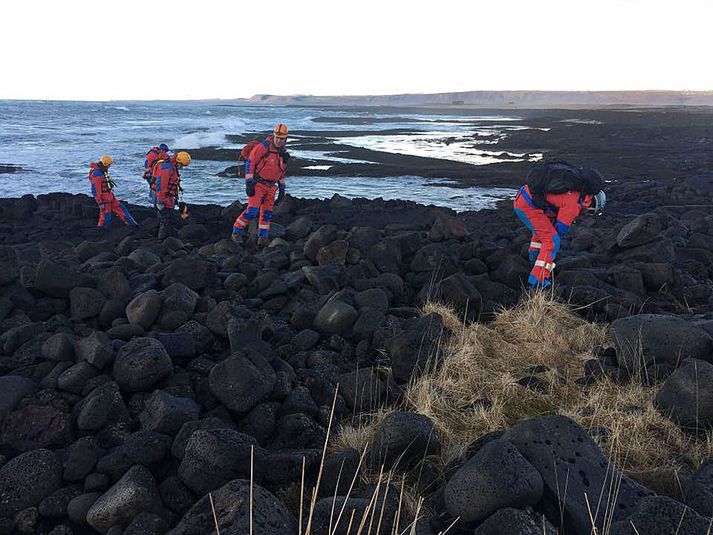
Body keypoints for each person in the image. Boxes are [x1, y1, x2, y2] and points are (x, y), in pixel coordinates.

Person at [513, 161, 606, 288]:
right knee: (551, 241)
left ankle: (534, 260)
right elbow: (560, 229)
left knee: (542, 233)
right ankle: (537, 282)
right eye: (590, 213)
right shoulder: (574, 204)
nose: (586, 214)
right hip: (528, 206)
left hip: (523, 197)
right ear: (592, 206)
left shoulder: (574, 190)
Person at [231, 123, 290, 246]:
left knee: (267, 213)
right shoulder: (263, 147)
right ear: (274, 136)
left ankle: (263, 237)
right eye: (277, 138)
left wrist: (282, 188)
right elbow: (250, 163)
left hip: (272, 186)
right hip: (258, 184)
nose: (279, 141)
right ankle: (236, 232)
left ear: (285, 139)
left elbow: (281, 170)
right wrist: (249, 183)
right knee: (252, 211)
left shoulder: (283, 153)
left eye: (282, 139)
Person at [150, 151, 191, 239]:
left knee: (168, 219)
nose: (181, 167)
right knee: (165, 220)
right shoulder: (167, 168)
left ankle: (167, 238)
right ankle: (161, 240)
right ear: (178, 161)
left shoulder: (172, 167)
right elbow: (161, 185)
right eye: (181, 165)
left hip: (168, 198)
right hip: (162, 198)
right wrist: (160, 201)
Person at [88, 155, 138, 228]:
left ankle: (133, 225)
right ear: (105, 164)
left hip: (110, 197)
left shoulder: (101, 171)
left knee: (122, 209)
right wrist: (100, 202)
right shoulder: (97, 174)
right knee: (105, 217)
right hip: (104, 200)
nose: (109, 167)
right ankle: (101, 231)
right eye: (108, 165)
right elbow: (95, 190)